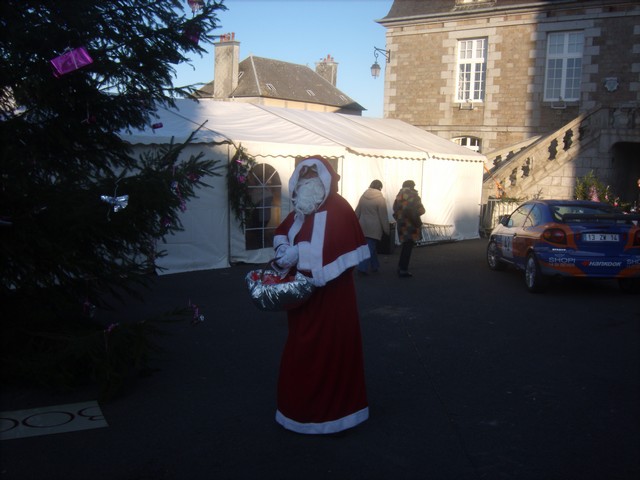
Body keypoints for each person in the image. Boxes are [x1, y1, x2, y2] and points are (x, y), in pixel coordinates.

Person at [271, 156, 370, 435]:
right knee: (300, 351)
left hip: (333, 301)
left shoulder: (339, 208)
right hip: (303, 301)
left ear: (326, 178)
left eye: (313, 176)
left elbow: (334, 246)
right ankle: (298, 409)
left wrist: (299, 252)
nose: (307, 182)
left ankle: (336, 413)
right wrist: (283, 249)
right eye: (303, 177)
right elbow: (284, 230)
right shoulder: (302, 208)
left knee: (331, 350)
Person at [355, 180, 390, 275]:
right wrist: (387, 230)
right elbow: (383, 216)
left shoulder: (363, 196)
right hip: (374, 227)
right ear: (380, 187)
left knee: (371, 247)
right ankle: (362, 268)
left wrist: (354, 224)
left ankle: (375, 266)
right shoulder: (380, 199)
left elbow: (357, 211)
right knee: (370, 248)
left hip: (363, 226)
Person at [392, 180, 425, 278]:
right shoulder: (414, 196)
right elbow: (421, 210)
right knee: (408, 247)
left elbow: (394, 209)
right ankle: (403, 269)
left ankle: (400, 267)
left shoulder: (398, 196)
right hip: (411, 225)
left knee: (405, 246)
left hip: (401, 225)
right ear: (412, 186)